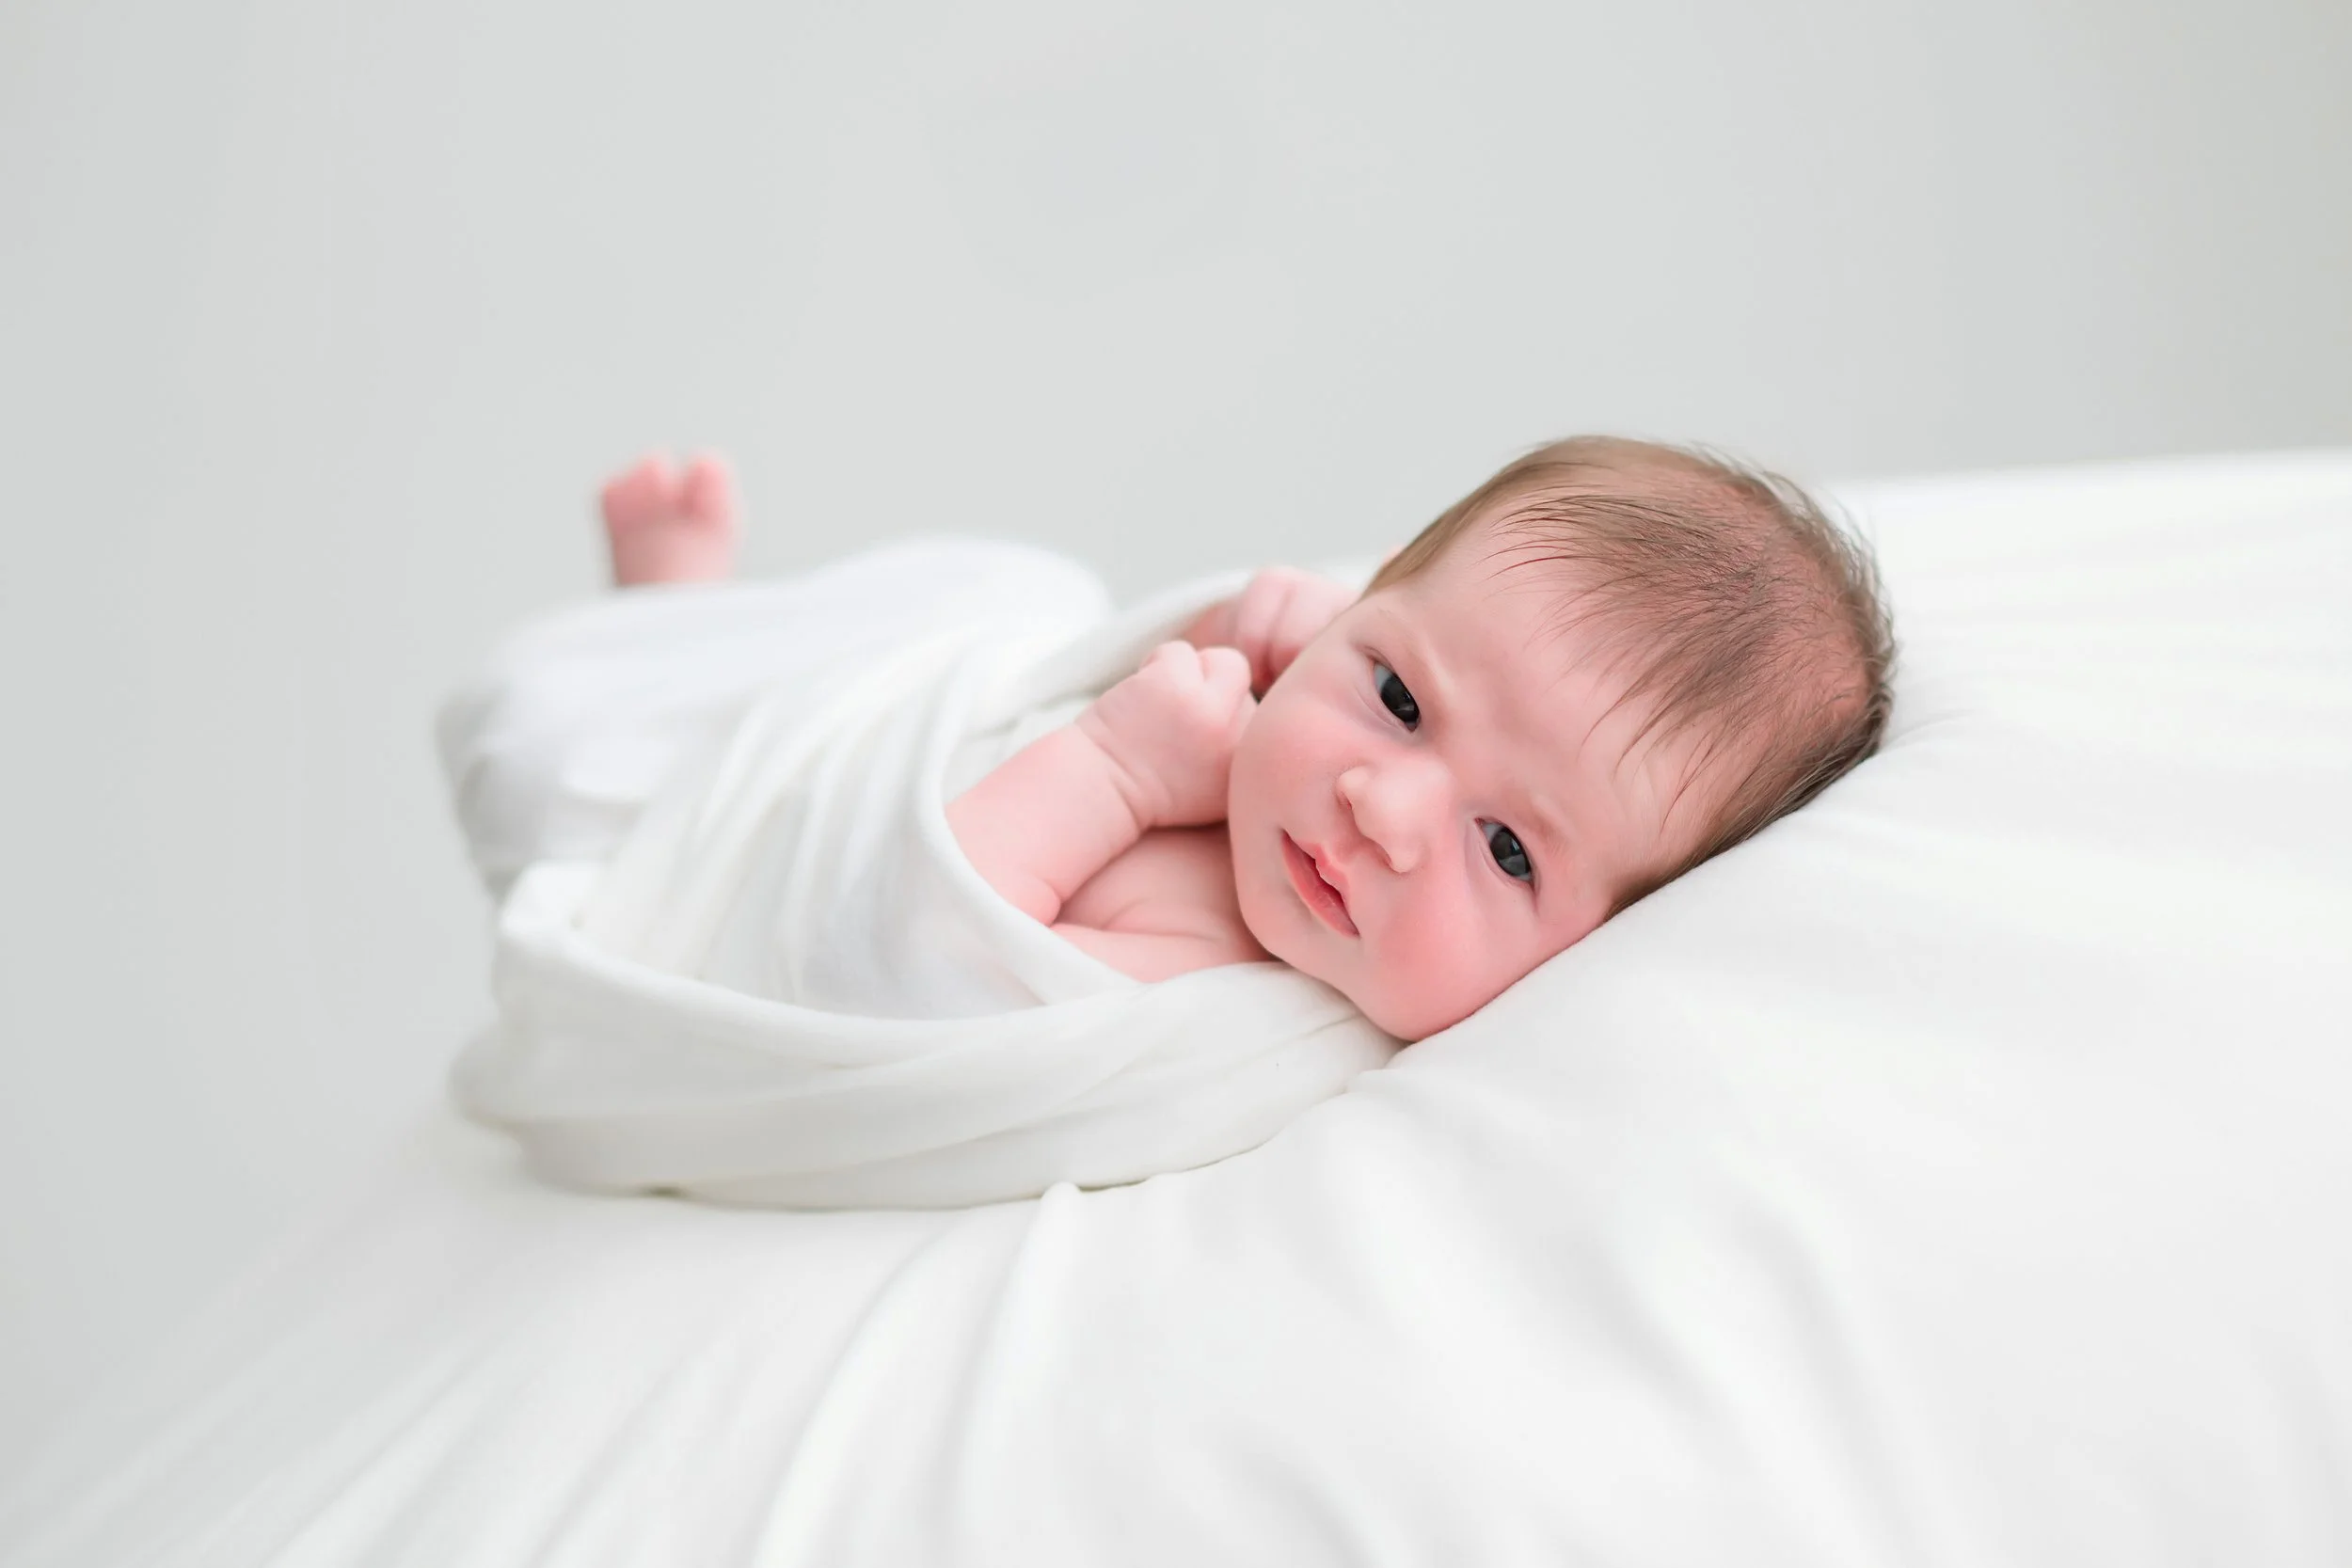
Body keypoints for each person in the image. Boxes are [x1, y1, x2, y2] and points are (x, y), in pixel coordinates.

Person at [596, 436, 1894, 1042]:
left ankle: (672, 644)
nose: (1381, 811)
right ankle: (704, 637)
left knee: (598, 785)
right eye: (1397, 697)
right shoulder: (1296, 719)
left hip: (729, 877)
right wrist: (1252, 629)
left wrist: (1111, 770)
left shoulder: (1214, 984)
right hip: (870, 735)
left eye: (1504, 848)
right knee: (1019, 601)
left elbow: (893, 958)